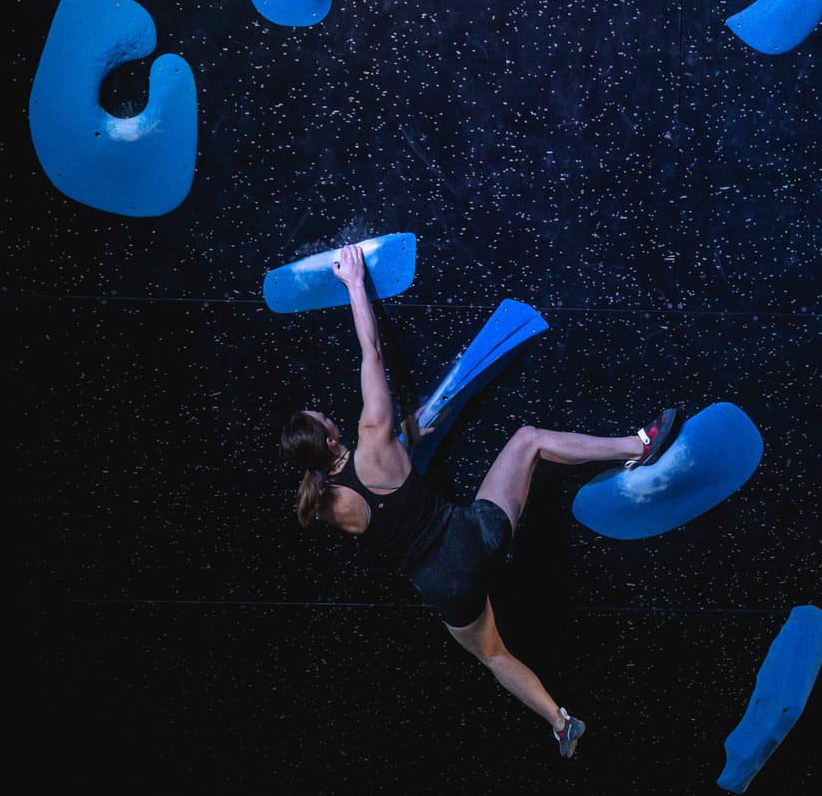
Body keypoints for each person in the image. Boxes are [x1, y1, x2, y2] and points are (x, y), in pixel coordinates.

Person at [280, 244, 680, 757]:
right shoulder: (373, 434)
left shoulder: (324, 505)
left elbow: (382, 492)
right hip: (469, 539)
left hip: (440, 588)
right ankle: (638, 447)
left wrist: (410, 433)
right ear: (331, 438)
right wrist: (355, 283)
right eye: (321, 418)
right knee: (528, 440)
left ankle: (559, 721)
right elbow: (371, 353)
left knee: (493, 655)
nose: (325, 414)